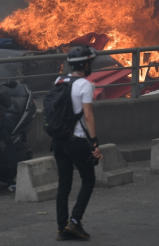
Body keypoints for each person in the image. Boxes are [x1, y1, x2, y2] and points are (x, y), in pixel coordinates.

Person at [54, 46, 103, 241]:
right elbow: (88, 117)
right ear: (85, 64)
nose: (91, 65)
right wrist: (94, 143)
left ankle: (61, 229)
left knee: (64, 184)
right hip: (76, 141)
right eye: (90, 62)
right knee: (88, 179)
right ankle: (74, 221)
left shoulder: (59, 80)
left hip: (58, 141)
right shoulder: (84, 85)